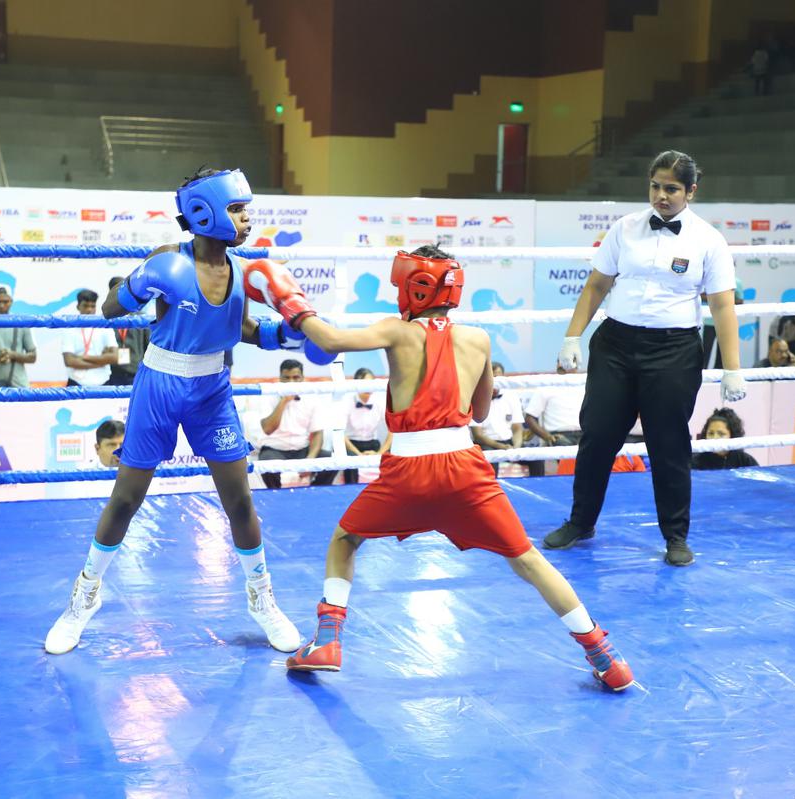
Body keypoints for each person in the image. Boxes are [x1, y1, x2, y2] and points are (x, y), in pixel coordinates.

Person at [245, 246, 633, 691]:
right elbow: (482, 412)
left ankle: (328, 642)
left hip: (408, 469)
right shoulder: (478, 340)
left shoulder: (397, 331)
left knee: (345, 540)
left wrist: (289, 300)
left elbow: (330, 341)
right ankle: (604, 655)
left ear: (413, 286)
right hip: (464, 469)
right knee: (527, 559)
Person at [44, 167, 301, 656]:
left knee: (240, 503)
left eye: (247, 208)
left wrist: (283, 334)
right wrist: (141, 282)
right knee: (126, 499)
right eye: (237, 208)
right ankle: (83, 598)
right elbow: (109, 311)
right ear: (205, 213)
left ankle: (262, 600)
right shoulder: (168, 261)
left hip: (212, 389)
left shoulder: (244, 273)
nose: (247, 218)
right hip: (159, 385)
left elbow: (242, 328)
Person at [544, 150, 747, 567]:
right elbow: (596, 285)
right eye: (655, 186)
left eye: (671, 188)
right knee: (597, 437)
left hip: (673, 351)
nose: (661, 196)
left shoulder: (709, 240)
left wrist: (732, 368)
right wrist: (571, 337)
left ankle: (676, 536)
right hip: (615, 346)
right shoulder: (624, 228)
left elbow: (723, 307)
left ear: (691, 190)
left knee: (669, 445)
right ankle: (581, 521)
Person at [255, 358, 327, 488]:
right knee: (266, 463)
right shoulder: (269, 394)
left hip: (302, 448)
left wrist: (310, 460)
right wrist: (284, 401)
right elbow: (268, 429)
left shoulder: (312, 396)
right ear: (280, 378)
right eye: (286, 378)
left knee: (328, 460)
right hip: (275, 448)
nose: (291, 382)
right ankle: (275, 496)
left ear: (302, 378)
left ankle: (314, 493)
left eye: (295, 377)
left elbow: (317, 433)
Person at [469, 362, 526, 475]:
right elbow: (478, 435)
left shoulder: (511, 396)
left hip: (509, 442)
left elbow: (517, 427)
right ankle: (491, 490)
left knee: (536, 459)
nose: (495, 380)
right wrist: (501, 447)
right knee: (490, 459)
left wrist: (516, 447)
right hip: (488, 443)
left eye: (498, 377)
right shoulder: (475, 397)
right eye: (493, 376)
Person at [340, 367, 387, 484]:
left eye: (370, 383)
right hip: (351, 445)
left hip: (373, 443)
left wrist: (380, 453)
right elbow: (340, 433)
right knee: (349, 460)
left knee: (394, 454)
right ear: (356, 384)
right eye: (364, 383)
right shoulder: (346, 401)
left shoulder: (380, 401)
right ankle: (350, 493)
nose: (368, 387)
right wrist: (358, 454)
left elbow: (393, 429)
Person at [61, 289, 118, 387]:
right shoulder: (69, 329)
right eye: (85, 306)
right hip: (76, 384)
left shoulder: (105, 327)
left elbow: (115, 357)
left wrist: (82, 357)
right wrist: (101, 362)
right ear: (78, 306)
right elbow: (69, 361)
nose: (89, 310)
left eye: (92, 306)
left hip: (103, 383)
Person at [106, 276, 150, 386]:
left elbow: (148, 345)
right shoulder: (106, 318)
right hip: (113, 371)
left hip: (136, 369)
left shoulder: (140, 318)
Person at [692, 408, 759, 470]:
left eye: (721, 434)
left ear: (732, 435)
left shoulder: (746, 462)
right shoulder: (695, 462)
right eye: (711, 433)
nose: (714, 438)